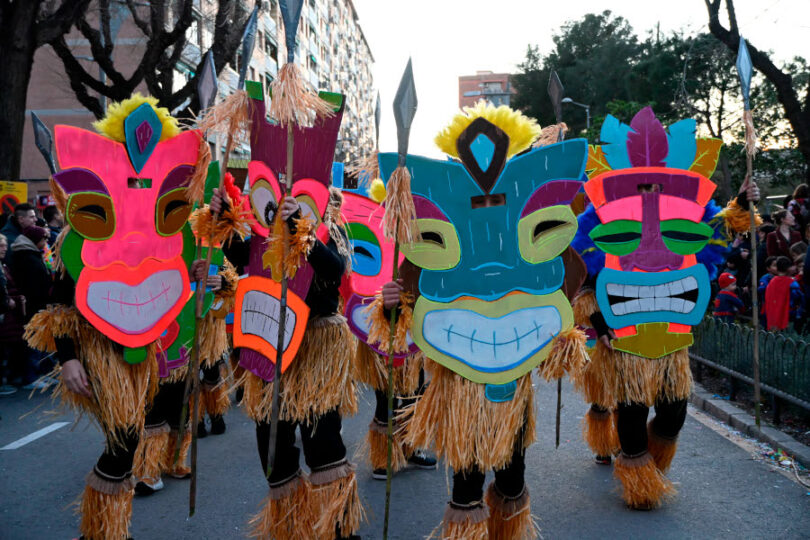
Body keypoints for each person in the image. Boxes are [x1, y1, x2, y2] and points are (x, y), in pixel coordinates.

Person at [0, 233, 23, 395]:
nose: (4, 249)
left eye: (5, 245)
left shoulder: (4, 265)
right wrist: (6, 300)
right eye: (1, 246)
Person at [764, 256, 804, 331]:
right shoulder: (792, 283)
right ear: (788, 268)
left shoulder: (772, 281)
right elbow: (798, 296)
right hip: (789, 313)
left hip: (774, 313)